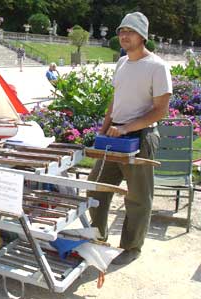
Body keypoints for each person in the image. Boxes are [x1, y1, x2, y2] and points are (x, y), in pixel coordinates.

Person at [87, 12, 172, 265]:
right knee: (96, 187)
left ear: (142, 36)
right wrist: (104, 129)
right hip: (114, 136)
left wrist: (126, 128)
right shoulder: (122, 63)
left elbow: (161, 110)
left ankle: (131, 247)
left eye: (130, 31)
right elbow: (116, 100)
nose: (124, 35)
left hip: (141, 138)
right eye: (121, 31)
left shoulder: (157, 66)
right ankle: (96, 237)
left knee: (137, 197)